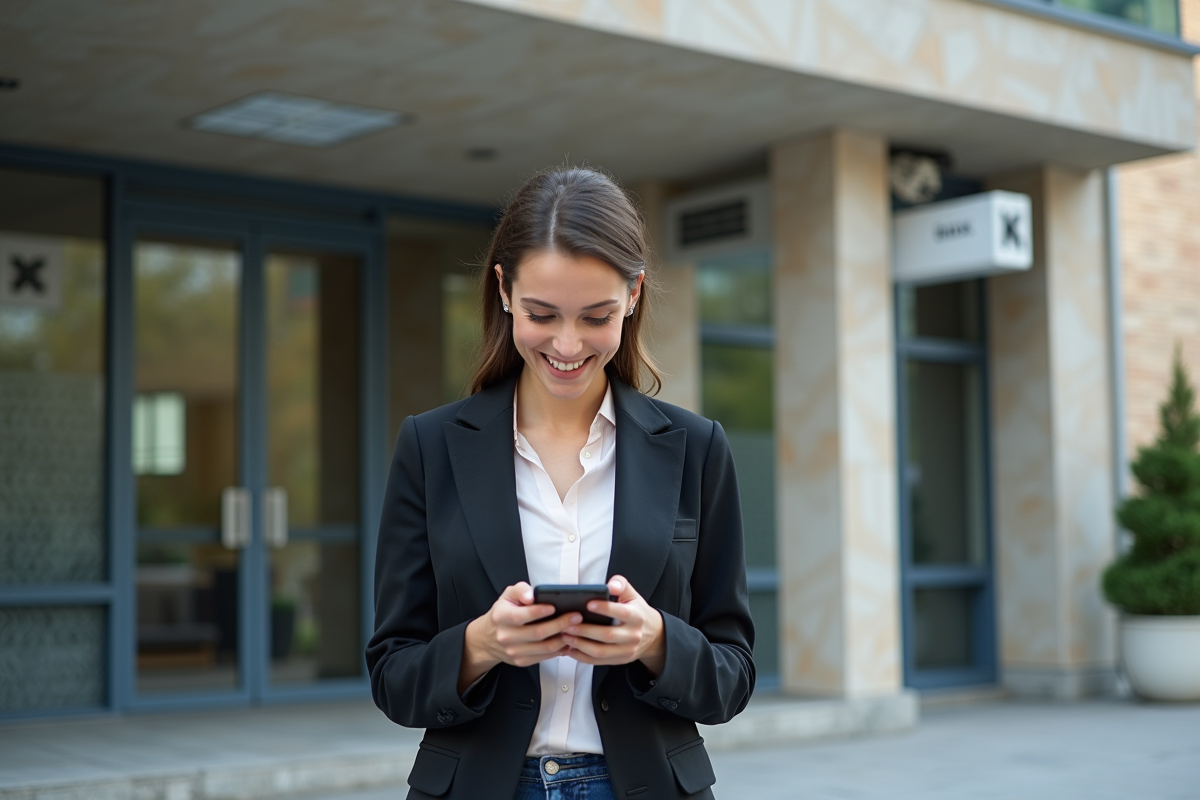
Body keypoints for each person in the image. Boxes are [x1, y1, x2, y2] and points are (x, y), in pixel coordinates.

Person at [366, 166, 755, 800]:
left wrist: (657, 642)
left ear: (633, 294)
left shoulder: (697, 449)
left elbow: (732, 676)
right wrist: (480, 644)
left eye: (596, 316)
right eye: (542, 314)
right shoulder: (431, 447)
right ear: (503, 291)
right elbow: (392, 675)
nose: (568, 344)